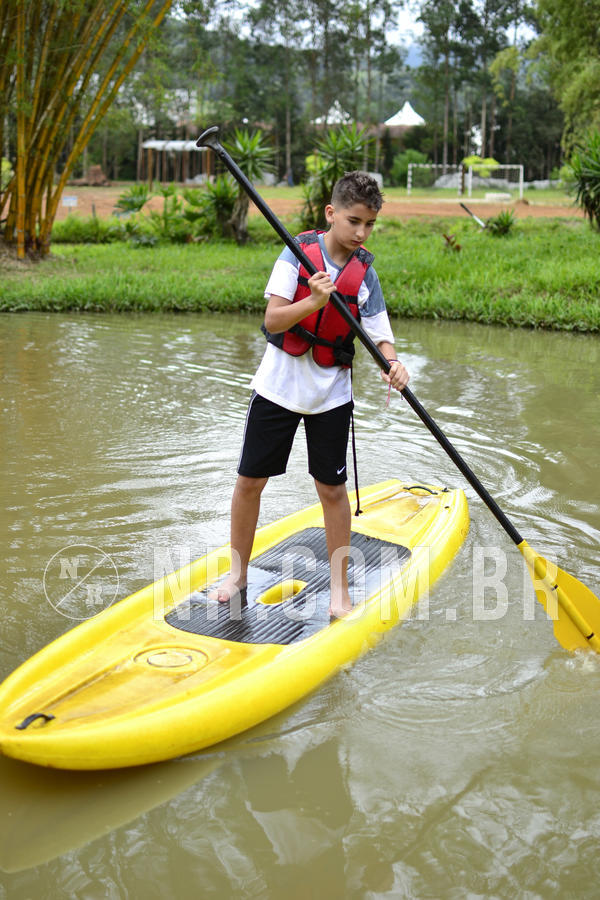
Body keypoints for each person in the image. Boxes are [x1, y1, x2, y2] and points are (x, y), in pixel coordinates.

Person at [211, 171, 410, 618]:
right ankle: (237, 574)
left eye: (370, 224)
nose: (361, 233)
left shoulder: (365, 276)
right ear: (331, 213)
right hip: (277, 390)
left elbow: (381, 338)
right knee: (249, 483)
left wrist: (393, 364)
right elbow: (274, 321)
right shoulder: (295, 255)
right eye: (354, 221)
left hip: (330, 397)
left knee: (333, 491)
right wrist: (313, 302)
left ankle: (339, 591)